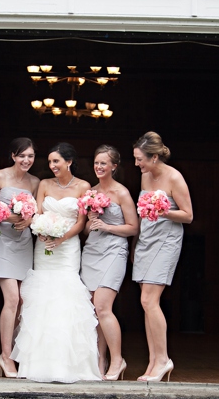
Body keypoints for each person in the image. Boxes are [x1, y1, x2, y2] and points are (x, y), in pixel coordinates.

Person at [11, 142, 102, 383]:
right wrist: (41, 230)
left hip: (68, 248)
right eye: (50, 162)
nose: (52, 166)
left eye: (56, 161)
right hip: (44, 247)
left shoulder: (83, 186)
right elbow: (37, 212)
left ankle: (69, 364)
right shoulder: (44, 184)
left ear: (69, 162)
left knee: (66, 295)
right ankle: (37, 363)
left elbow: (81, 223)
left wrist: (62, 237)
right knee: (43, 296)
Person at [132, 132, 193, 382]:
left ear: (154, 157)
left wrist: (163, 210)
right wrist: (136, 244)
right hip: (147, 238)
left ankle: (164, 359)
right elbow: (140, 213)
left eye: (140, 159)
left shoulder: (174, 177)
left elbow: (188, 215)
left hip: (167, 239)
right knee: (145, 302)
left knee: (150, 300)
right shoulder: (146, 175)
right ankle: (153, 361)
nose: (137, 164)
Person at [80, 145, 138, 380]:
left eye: (104, 163)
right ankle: (99, 359)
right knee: (94, 310)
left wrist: (107, 226)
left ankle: (117, 360)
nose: (99, 167)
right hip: (92, 251)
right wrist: (91, 220)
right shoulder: (90, 192)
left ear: (114, 166)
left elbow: (133, 227)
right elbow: (85, 230)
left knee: (103, 306)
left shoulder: (121, 192)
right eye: (96, 162)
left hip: (114, 252)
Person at [0, 137, 40, 378]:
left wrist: (28, 219)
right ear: (13, 156)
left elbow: (37, 212)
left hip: (23, 243)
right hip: (2, 240)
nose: (26, 160)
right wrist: (8, 216)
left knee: (22, 302)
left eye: (30, 156)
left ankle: (18, 354)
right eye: (22, 156)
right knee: (11, 298)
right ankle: (5, 356)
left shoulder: (35, 182)